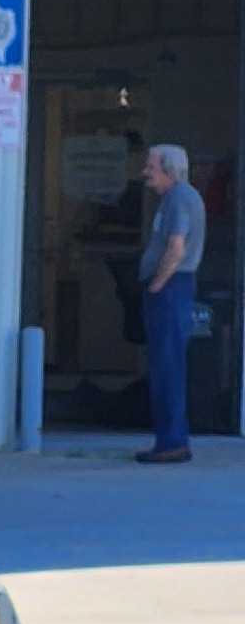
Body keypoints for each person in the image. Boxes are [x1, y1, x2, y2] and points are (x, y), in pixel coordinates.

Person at [136, 142, 203, 465]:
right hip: (170, 289)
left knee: (167, 366)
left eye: (151, 167)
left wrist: (156, 286)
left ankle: (172, 441)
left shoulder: (180, 199)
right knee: (164, 364)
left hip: (171, 289)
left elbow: (176, 248)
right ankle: (169, 438)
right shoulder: (173, 199)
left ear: (169, 170)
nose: (146, 174)